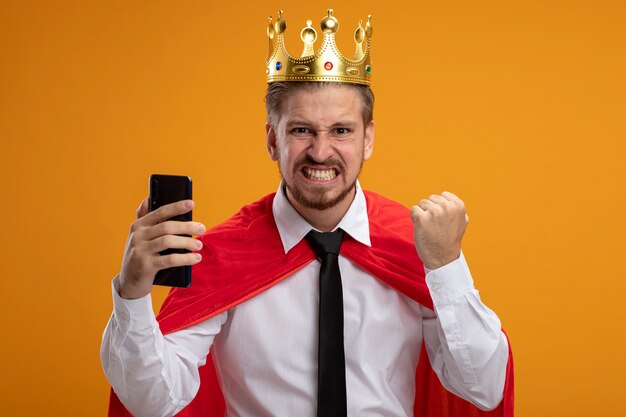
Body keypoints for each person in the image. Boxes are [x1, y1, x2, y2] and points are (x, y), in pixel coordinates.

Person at [101, 9, 513, 417]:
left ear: (367, 139)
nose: (320, 151)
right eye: (301, 130)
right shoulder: (222, 254)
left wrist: (446, 267)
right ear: (272, 139)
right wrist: (133, 295)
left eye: (341, 130)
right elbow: (154, 403)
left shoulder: (418, 246)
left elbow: (484, 387)